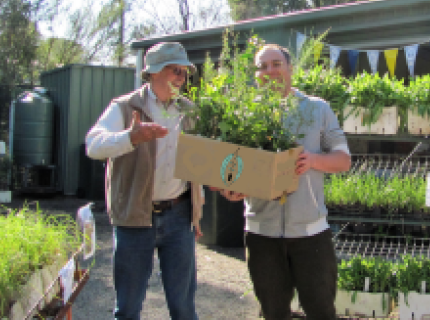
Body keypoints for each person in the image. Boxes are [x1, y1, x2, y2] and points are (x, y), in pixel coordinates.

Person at [215, 44, 351, 319]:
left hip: (310, 234)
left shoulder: (316, 109)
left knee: (322, 311)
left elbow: (343, 160)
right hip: (261, 233)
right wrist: (231, 189)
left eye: (276, 64)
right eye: (262, 67)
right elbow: (230, 169)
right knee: (272, 312)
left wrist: (313, 160)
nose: (270, 71)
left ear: (290, 68)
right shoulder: (245, 114)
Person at [85, 42, 204, 320]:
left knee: (184, 308)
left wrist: (196, 214)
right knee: (127, 308)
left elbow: (199, 165)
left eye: (184, 72)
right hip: (135, 218)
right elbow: (93, 145)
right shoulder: (126, 107)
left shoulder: (190, 111)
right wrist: (130, 137)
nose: (181, 78)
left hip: (179, 217)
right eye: (175, 70)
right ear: (152, 73)